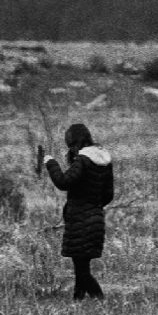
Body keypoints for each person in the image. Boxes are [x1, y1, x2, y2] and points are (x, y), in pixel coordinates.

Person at [39, 122, 115, 301]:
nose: (70, 149)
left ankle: (101, 302)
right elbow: (109, 194)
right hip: (96, 219)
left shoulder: (83, 160)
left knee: (82, 272)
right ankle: (77, 302)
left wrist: (50, 163)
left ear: (75, 142)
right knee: (81, 267)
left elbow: (64, 182)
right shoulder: (104, 160)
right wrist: (93, 207)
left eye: (70, 145)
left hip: (80, 220)